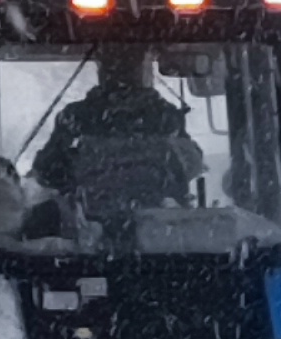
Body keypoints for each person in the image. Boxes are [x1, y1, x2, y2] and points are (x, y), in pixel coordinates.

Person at [29, 45, 205, 222]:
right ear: (143, 71)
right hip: (158, 226)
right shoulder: (166, 116)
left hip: (89, 226)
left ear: (102, 70)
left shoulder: (76, 116)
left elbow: (47, 171)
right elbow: (190, 164)